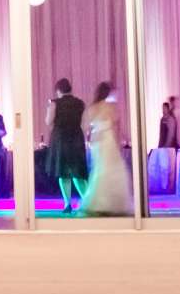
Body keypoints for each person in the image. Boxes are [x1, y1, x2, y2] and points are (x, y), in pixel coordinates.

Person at [79, 80, 133, 217]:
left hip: (97, 142)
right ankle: (112, 203)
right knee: (112, 169)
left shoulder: (92, 108)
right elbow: (116, 127)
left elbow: (87, 128)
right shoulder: (110, 107)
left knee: (99, 170)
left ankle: (98, 202)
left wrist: (90, 139)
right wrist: (121, 142)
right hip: (108, 139)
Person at [47, 78, 88, 213]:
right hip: (76, 137)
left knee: (63, 173)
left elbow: (48, 121)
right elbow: (84, 123)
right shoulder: (80, 103)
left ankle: (67, 204)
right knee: (78, 173)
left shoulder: (54, 103)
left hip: (61, 138)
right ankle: (89, 201)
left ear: (58, 90)